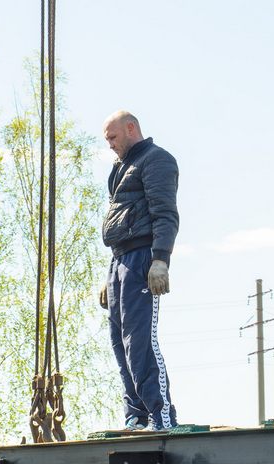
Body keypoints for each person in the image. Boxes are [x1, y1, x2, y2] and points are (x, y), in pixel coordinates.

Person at [99, 110, 180, 431]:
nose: (110, 145)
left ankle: (161, 416)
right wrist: (109, 273)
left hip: (142, 258)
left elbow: (165, 213)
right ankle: (136, 415)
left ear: (130, 129)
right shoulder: (120, 168)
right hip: (120, 259)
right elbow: (119, 221)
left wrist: (160, 259)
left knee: (140, 340)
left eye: (113, 137)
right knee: (120, 340)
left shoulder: (156, 160)